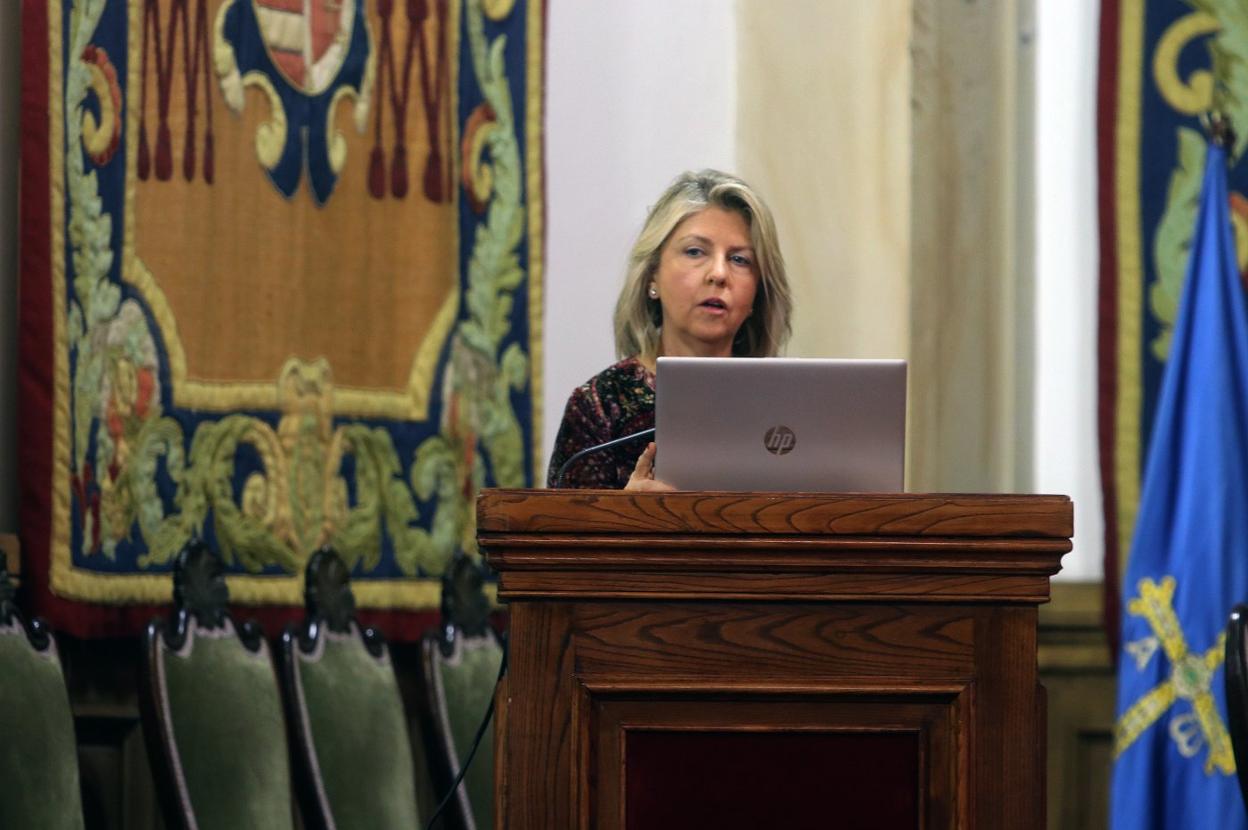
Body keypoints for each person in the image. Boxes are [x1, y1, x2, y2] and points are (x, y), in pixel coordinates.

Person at [547, 169, 794, 490]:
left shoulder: (788, 404)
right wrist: (625, 516)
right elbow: (559, 534)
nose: (719, 274)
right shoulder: (599, 405)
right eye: (695, 252)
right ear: (652, 277)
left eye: (739, 259)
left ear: (757, 294)